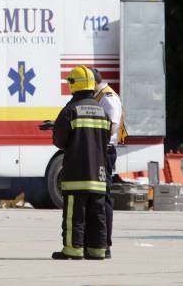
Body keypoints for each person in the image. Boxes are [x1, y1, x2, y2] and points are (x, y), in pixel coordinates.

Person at [51, 65, 111, 260]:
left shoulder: (70, 110)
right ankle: (97, 250)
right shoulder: (103, 111)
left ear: (74, 85)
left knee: (74, 215)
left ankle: (73, 249)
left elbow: (59, 141)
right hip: (99, 173)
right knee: (97, 214)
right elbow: (107, 138)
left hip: (76, 173)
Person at [92, 68, 122, 259]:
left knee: (104, 198)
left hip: (105, 151)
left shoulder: (108, 97)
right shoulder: (99, 96)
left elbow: (111, 127)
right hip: (97, 150)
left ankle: (105, 243)